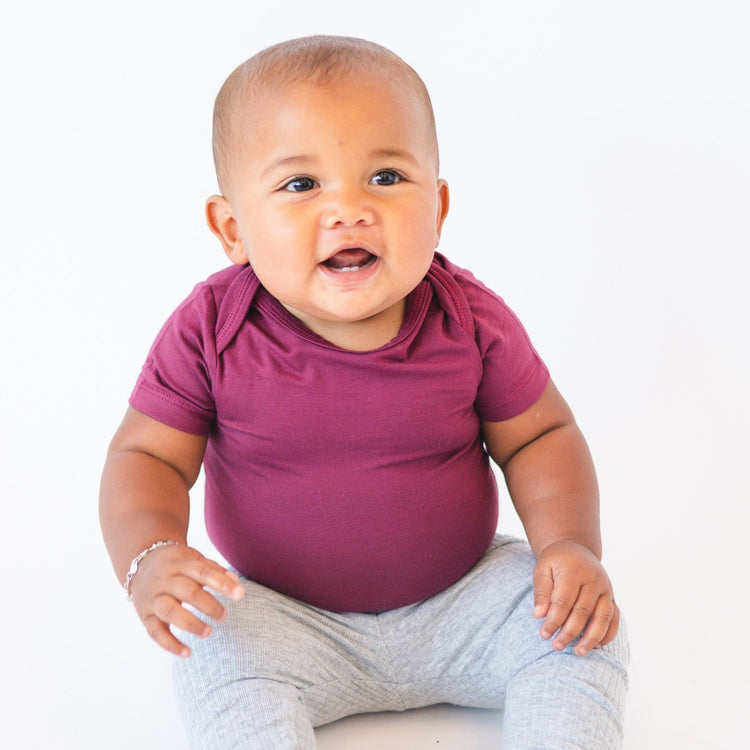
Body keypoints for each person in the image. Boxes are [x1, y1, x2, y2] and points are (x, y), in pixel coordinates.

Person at [99, 35, 629, 749]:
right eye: (300, 185)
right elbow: (148, 457)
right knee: (215, 653)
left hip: (465, 599)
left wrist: (569, 544)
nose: (348, 209)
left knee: (582, 631)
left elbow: (539, 436)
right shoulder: (210, 329)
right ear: (233, 229)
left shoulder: (467, 317)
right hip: (284, 619)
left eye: (384, 177)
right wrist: (150, 554)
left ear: (438, 206)